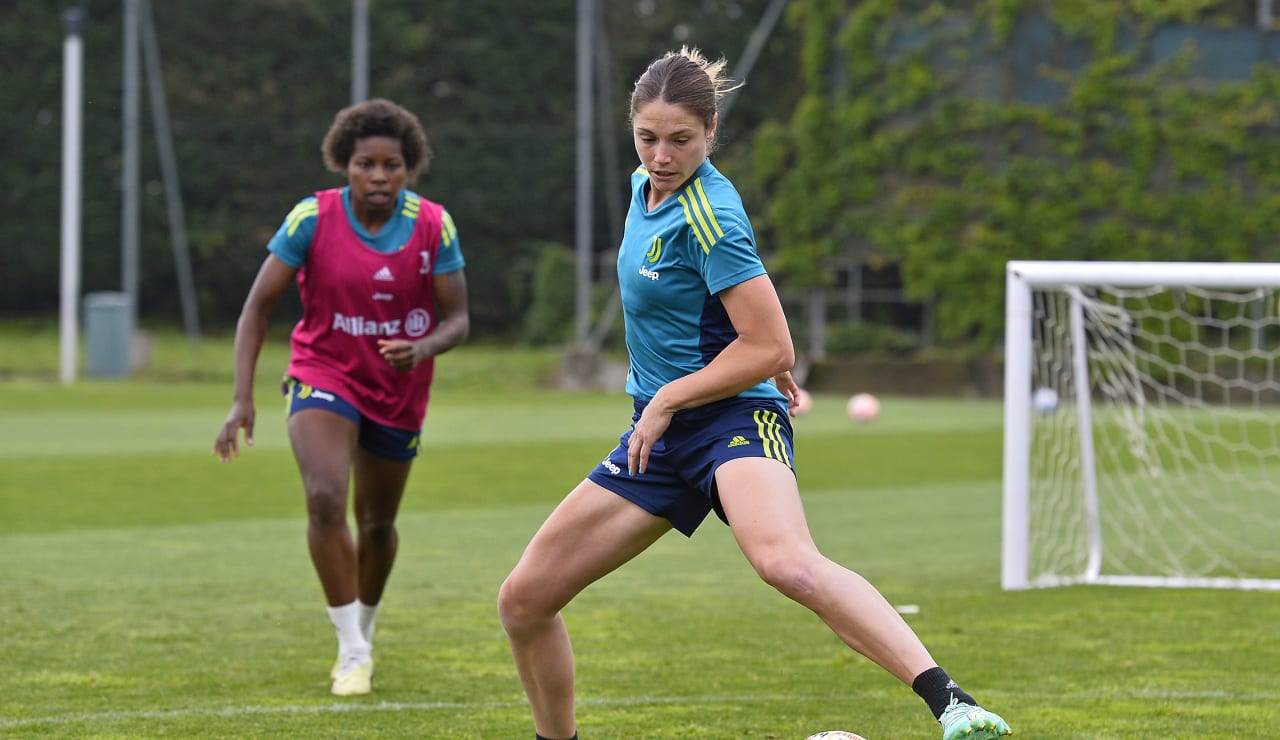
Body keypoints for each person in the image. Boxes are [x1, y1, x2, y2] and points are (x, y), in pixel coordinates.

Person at [497, 48, 1012, 740]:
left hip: (731, 421)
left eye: (680, 140)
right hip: (663, 433)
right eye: (647, 138)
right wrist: (690, 387)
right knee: (525, 600)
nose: (662, 155)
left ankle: (954, 703)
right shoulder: (642, 191)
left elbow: (773, 347)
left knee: (784, 563)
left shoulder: (713, 213)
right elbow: (726, 328)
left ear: (711, 131)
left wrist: (682, 392)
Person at [213, 98, 469, 697]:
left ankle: (366, 631)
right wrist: (241, 398)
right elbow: (258, 308)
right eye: (364, 164)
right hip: (321, 372)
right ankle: (350, 651)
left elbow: (458, 320)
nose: (378, 176)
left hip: (399, 388)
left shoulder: (435, 225)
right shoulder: (312, 219)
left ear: (409, 168)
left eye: (391, 165)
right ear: (343, 165)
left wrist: (425, 346)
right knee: (325, 497)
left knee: (377, 524)